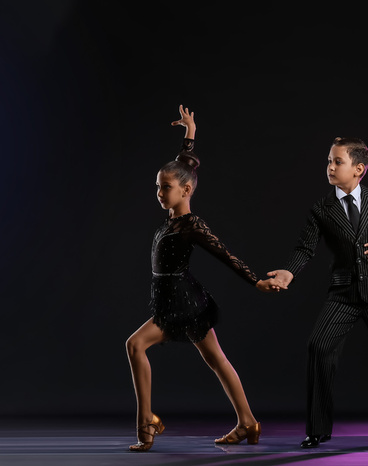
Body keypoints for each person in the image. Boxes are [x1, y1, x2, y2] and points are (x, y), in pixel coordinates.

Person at [125, 105, 280, 452]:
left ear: (186, 192)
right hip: (176, 298)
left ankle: (146, 424)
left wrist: (255, 281)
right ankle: (248, 422)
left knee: (136, 345)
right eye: (157, 187)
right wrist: (190, 134)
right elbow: (185, 165)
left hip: (184, 302)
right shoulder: (173, 216)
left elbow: (225, 254)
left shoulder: (191, 225)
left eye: (166, 188)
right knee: (216, 360)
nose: (160, 193)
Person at [268, 137, 368, 447]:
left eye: (337, 162)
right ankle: (317, 429)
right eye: (329, 161)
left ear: (358, 169)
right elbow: (306, 247)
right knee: (319, 347)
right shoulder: (322, 208)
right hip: (344, 293)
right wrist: (289, 271)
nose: (330, 167)